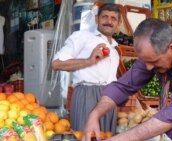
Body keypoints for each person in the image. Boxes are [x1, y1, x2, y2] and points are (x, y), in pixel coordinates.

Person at [51, 3, 122, 134]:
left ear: (118, 23)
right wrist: (88, 61)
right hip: (87, 95)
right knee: (85, 136)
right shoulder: (82, 37)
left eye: (113, 18)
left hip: (109, 98)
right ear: (96, 19)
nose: (108, 21)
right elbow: (56, 64)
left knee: (107, 136)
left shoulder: (115, 50)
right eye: (104, 17)